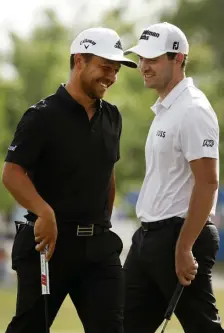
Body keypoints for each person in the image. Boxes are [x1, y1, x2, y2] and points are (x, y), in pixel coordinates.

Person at [2, 27, 137, 333]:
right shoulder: (41, 115)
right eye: (105, 67)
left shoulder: (113, 117)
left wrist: (104, 224)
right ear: (79, 61)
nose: (112, 77)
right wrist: (44, 211)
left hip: (98, 249)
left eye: (115, 71)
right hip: (49, 246)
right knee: (30, 327)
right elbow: (12, 173)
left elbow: (108, 173)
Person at [123, 22, 223, 333]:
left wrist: (183, 248)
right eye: (141, 59)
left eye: (152, 59)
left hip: (180, 238)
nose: (143, 66)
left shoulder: (193, 109)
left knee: (202, 328)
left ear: (178, 58)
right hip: (148, 239)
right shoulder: (167, 109)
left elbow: (208, 183)